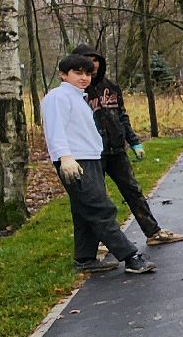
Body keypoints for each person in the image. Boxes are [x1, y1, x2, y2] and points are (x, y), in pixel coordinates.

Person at [41, 54, 155, 275]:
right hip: (74, 162)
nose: (84, 77)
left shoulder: (78, 97)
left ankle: (84, 259)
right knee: (100, 208)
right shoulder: (58, 97)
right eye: (77, 73)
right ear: (63, 75)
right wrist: (65, 158)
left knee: (84, 210)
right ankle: (131, 257)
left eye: (87, 73)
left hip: (89, 158)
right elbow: (56, 130)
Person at [71, 45, 183, 249]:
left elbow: (121, 116)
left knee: (133, 190)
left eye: (96, 60)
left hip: (116, 149)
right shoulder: (76, 92)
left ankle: (153, 232)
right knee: (97, 198)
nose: (93, 64)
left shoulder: (111, 87)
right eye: (88, 60)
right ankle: (99, 242)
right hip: (91, 152)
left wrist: (133, 141)